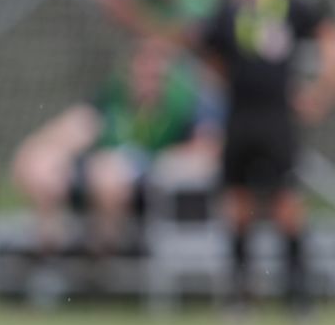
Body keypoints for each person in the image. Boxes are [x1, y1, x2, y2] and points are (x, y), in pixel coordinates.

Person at [191, 0, 335, 315]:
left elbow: (327, 35)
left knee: (287, 205)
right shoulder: (226, 10)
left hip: (277, 119)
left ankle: (299, 298)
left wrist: (321, 90)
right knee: (237, 206)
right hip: (239, 117)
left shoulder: (286, 5)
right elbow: (208, 55)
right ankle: (240, 298)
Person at [12, 37, 220, 259]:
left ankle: (106, 253)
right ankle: (48, 248)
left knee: (109, 175)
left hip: (153, 185)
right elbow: (77, 125)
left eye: (155, 72)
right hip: (100, 174)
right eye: (142, 68)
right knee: (43, 165)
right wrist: (40, 149)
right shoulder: (112, 101)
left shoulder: (185, 106)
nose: (147, 77)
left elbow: (207, 146)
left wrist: (165, 162)